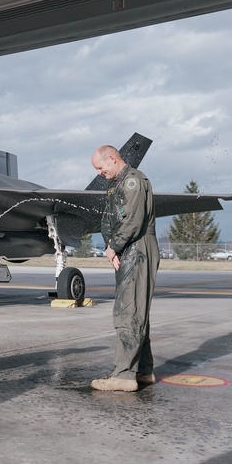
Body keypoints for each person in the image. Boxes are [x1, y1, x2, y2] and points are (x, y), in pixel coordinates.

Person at [89, 145, 159, 392]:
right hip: (129, 248)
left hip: (136, 247)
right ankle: (142, 370)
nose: (99, 172)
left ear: (112, 157)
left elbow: (133, 220)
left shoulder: (133, 181)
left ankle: (123, 375)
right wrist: (115, 246)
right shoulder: (119, 182)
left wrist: (113, 246)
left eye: (100, 167)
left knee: (128, 311)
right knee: (137, 311)